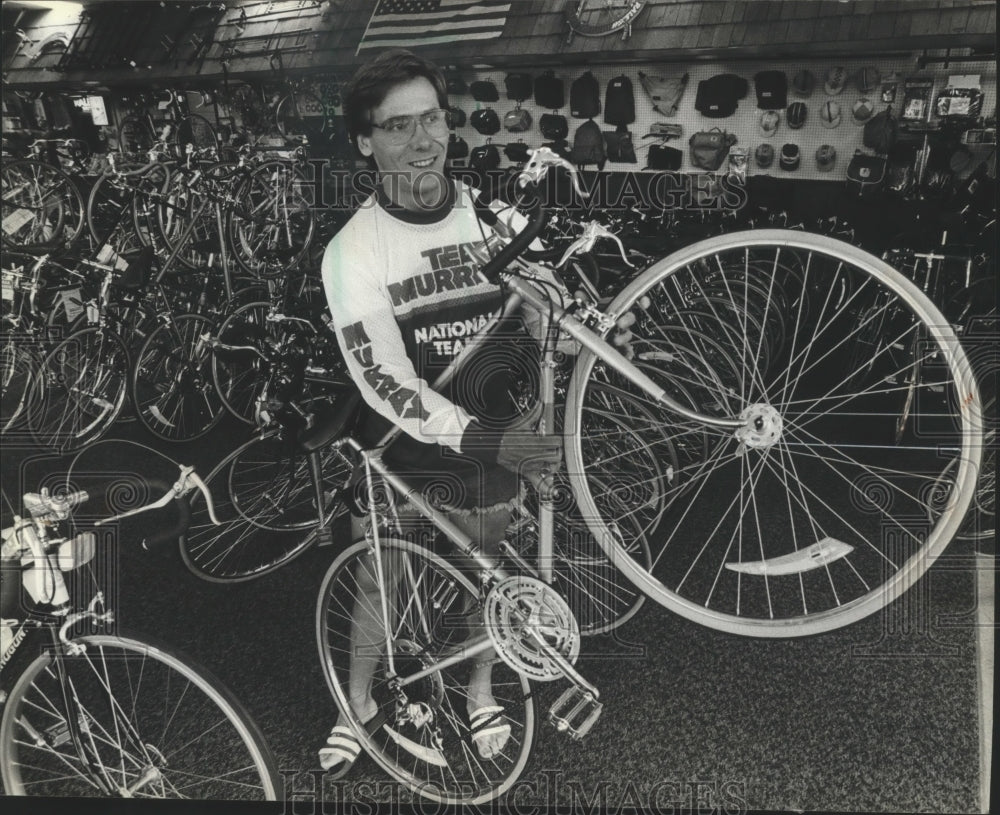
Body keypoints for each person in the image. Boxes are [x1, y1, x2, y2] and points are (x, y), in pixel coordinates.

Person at [318, 48, 578, 773]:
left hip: (495, 435)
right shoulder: (351, 253)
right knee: (380, 578)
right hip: (406, 443)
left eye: (432, 117)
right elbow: (384, 383)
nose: (424, 139)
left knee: (490, 571)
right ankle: (357, 703)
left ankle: (480, 686)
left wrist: (549, 318)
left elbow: (542, 317)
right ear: (365, 141)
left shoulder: (495, 218)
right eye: (399, 126)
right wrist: (491, 441)